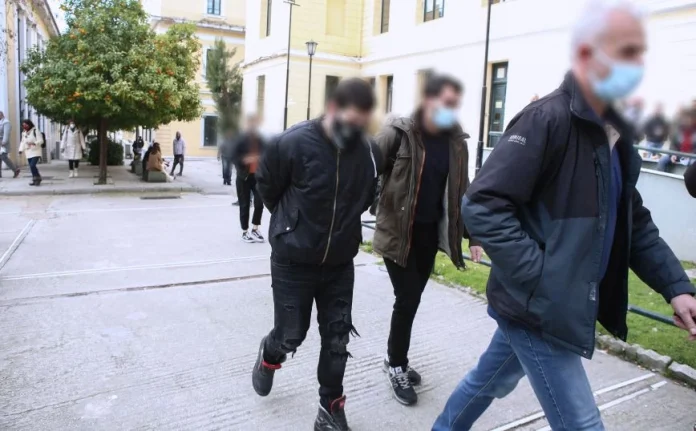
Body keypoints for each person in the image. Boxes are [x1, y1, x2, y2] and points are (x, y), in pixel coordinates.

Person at [434, 2, 696, 430]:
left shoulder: (616, 134)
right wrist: (542, 279)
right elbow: (482, 204)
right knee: (582, 423)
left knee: (489, 383)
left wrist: (675, 286)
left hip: (549, 302)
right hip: (538, 309)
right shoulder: (545, 119)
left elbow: (632, 222)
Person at [251, 78, 380, 431]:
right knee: (291, 334)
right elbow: (268, 187)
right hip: (293, 261)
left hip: (339, 262)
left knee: (337, 338)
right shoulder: (291, 142)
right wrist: (293, 224)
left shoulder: (369, 151)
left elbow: (365, 196)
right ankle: (269, 354)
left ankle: (330, 407)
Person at [372, 74, 482, 406]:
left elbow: (462, 192)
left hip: (428, 236)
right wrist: (355, 212)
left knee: (412, 299)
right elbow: (365, 169)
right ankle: (396, 365)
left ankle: (395, 357)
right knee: (406, 298)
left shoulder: (456, 143)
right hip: (397, 233)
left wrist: (473, 236)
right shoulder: (398, 133)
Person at [232, 114, 266, 243]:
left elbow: (266, 154)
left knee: (259, 203)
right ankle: (245, 231)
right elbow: (234, 157)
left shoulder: (260, 140)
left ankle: (255, 228)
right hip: (244, 177)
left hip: (257, 176)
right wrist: (245, 160)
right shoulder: (240, 140)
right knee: (245, 204)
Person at [18, 119, 44, 186]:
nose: (25, 126)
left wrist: (34, 143)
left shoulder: (35, 131)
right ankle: (35, 179)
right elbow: (23, 142)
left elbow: (41, 140)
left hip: (36, 151)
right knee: (31, 167)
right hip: (28, 152)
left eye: (26, 125)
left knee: (32, 165)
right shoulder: (24, 133)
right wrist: (20, 150)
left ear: (29, 124)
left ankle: (37, 178)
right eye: (23, 125)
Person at [0, 111, 20, 178]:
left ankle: (15, 170)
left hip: (3, 143)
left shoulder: (6, 122)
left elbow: (6, 133)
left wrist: (4, 142)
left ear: (1, 115)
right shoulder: (1, 122)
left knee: (3, 157)